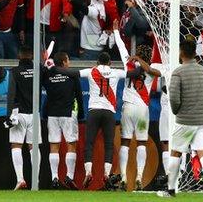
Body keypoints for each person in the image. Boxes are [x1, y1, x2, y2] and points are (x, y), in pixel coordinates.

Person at [51, 22, 141, 190]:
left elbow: (70, 72)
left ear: (98, 61)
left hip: (93, 111)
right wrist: (136, 62)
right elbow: (135, 73)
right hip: (109, 113)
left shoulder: (91, 71)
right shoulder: (116, 72)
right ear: (109, 62)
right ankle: (106, 174)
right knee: (108, 144)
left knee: (89, 144)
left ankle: (88, 173)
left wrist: (54, 68)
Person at [157, 39, 203, 198]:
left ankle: (171, 190)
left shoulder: (178, 72)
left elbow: (174, 98)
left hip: (185, 121)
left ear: (182, 53)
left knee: (176, 152)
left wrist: (177, 111)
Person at [116, 39, 162, 191]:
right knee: (141, 143)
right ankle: (139, 177)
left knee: (125, 142)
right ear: (149, 56)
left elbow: (121, 47)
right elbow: (157, 72)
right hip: (142, 111)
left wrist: (116, 32)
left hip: (128, 109)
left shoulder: (128, 63)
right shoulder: (152, 67)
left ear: (137, 55)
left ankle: (123, 176)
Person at [43, 51, 84, 190]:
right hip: (68, 114)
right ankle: (69, 177)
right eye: (68, 60)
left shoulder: (49, 76)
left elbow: (47, 95)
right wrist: (81, 114)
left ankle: (54, 177)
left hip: (52, 114)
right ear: (64, 62)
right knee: (70, 145)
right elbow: (79, 95)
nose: (69, 62)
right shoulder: (71, 76)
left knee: (54, 146)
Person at [6, 45, 40, 190]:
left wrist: (9, 115)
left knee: (16, 145)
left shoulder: (14, 72)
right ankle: (36, 181)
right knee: (34, 146)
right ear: (32, 56)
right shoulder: (38, 70)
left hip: (18, 113)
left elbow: (11, 94)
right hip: (35, 113)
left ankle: (20, 179)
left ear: (19, 57)